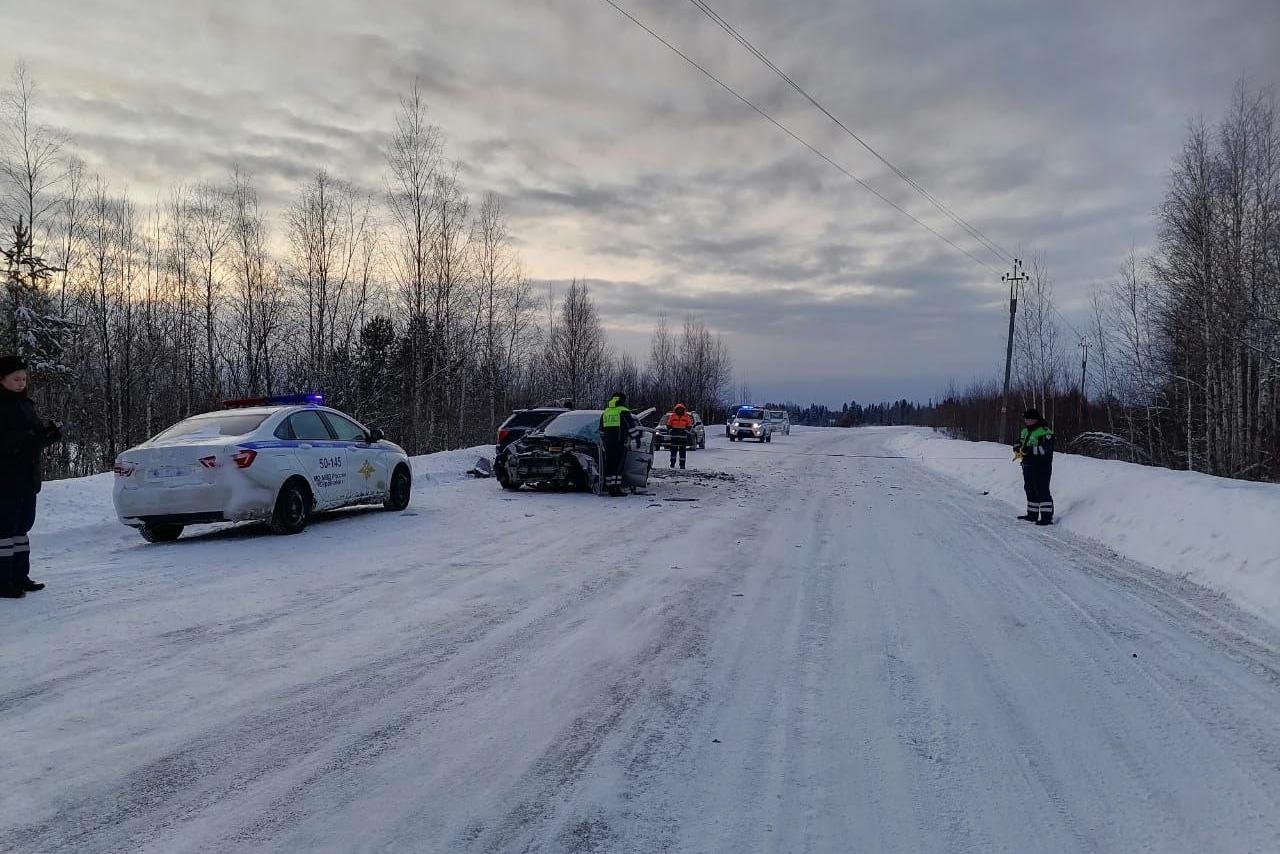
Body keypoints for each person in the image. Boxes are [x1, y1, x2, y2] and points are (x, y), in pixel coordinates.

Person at [0, 356, 61, 598]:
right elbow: (7, 443)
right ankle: (2, 580)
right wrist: (27, 439)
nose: (21, 383)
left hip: (27, 479)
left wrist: (48, 435)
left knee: (22, 529)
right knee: (4, 531)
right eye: (15, 379)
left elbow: (32, 439)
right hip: (5, 480)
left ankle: (19, 576)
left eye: (24, 378)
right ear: (1, 379)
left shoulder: (26, 404)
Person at [1014, 407, 1055, 526]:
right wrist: (1017, 448)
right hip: (1027, 465)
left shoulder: (1045, 432)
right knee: (1029, 489)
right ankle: (1032, 514)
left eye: (1027, 419)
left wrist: (1030, 450)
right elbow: (1018, 442)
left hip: (1041, 466)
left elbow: (1046, 449)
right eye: (1025, 419)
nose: (1025, 421)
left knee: (1042, 490)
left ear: (1035, 419)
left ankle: (1046, 517)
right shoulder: (1025, 431)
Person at [599, 391, 636, 497]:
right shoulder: (623, 411)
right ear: (623, 400)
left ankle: (608, 486)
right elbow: (632, 428)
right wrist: (637, 438)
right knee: (617, 466)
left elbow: (601, 430)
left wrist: (605, 440)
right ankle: (615, 488)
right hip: (619, 443)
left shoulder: (606, 412)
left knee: (609, 465)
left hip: (607, 443)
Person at [666, 403, 694, 470]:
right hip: (674, 436)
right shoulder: (673, 416)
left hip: (683, 437)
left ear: (683, 409)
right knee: (673, 451)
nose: (679, 410)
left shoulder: (686, 416)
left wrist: (686, 431)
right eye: (678, 409)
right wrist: (671, 430)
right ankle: (672, 463)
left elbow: (689, 425)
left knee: (682, 451)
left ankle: (682, 465)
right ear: (676, 409)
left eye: (681, 409)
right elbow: (668, 424)